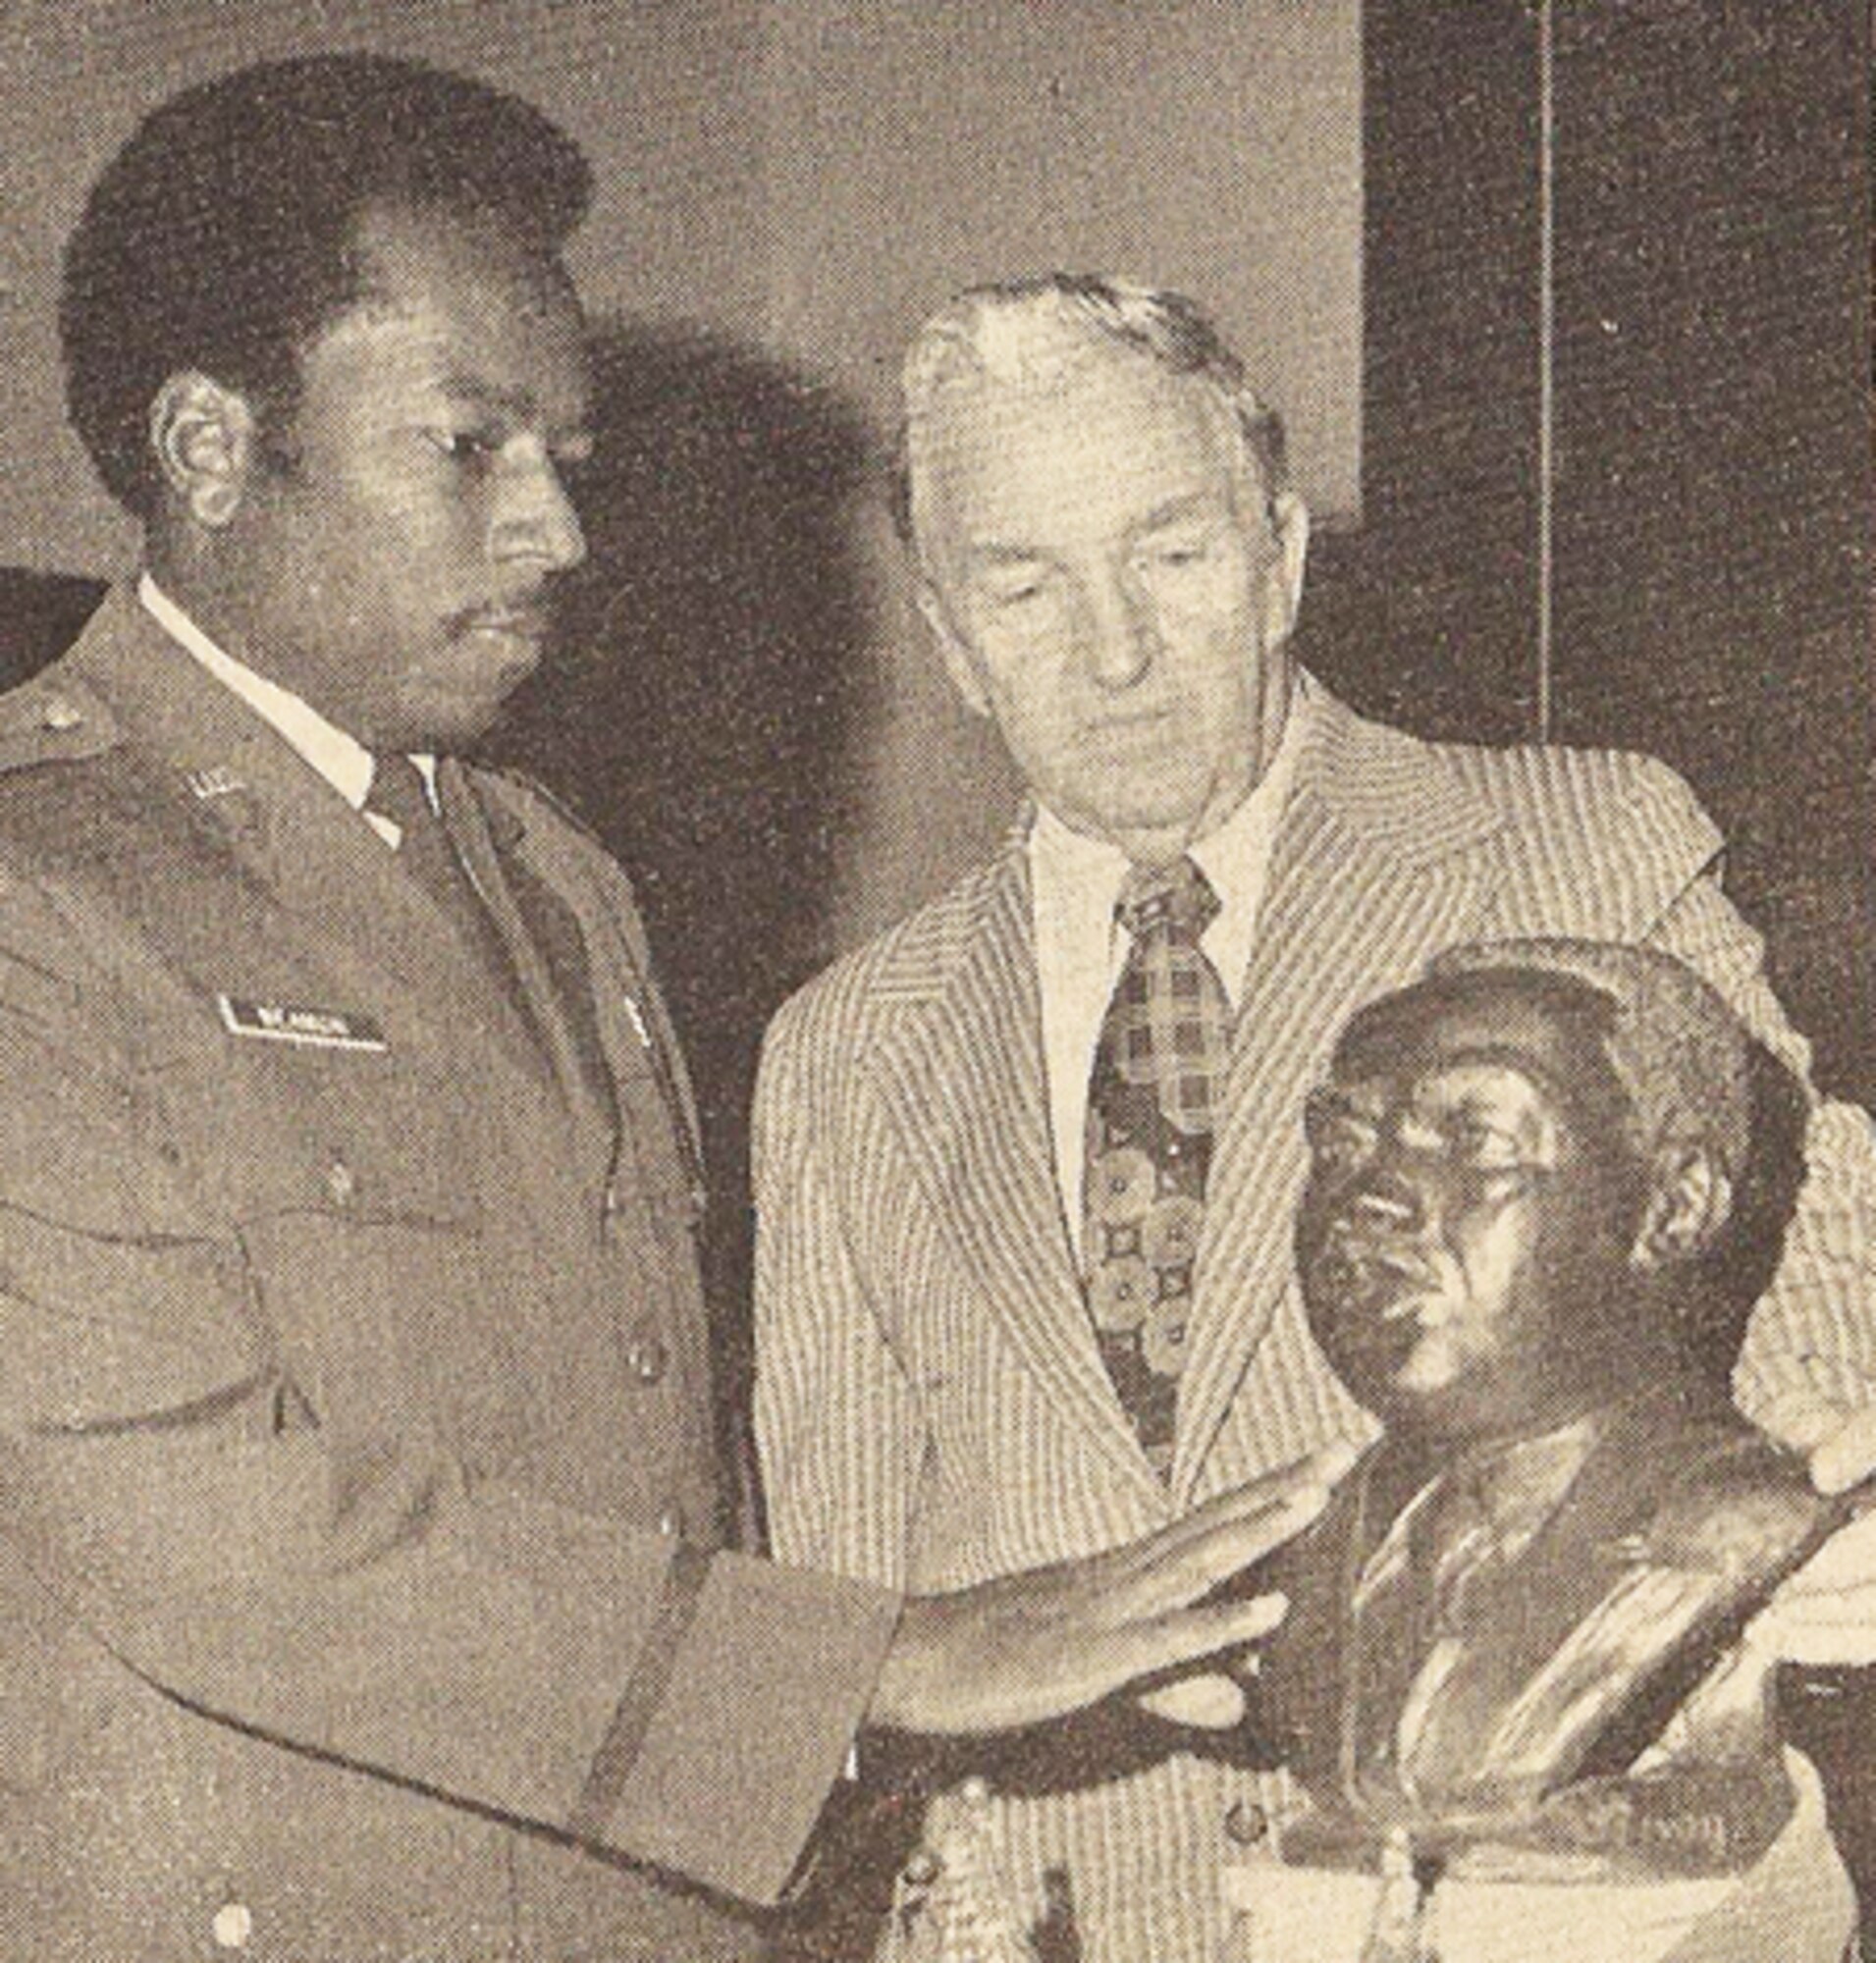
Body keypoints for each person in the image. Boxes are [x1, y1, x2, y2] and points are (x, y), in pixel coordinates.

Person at [0, 69, 1336, 1962]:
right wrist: (887, 1662)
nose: (556, 530)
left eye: (568, 458)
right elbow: (211, 1536)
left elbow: (662, 1468)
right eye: (471, 450)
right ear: (212, 449)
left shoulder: (548, 877)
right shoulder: (43, 901)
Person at [751, 275, 1876, 1959]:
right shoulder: (843, 1052)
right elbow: (852, 1629)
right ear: (947, 639)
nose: (1114, 649)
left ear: (1279, 553)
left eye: (1174, 554)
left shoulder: (1585, 850)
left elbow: (1821, 1308)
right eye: (1025, 584)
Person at [1238, 937, 1859, 1962]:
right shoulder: (1303, 1559)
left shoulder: (1767, 1542)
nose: (1373, 1194)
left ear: (1673, 1207)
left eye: (1476, 1141)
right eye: (1345, 1140)